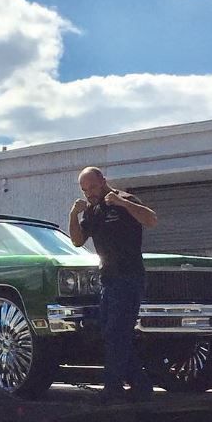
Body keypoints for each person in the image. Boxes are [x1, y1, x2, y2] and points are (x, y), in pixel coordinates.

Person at [68, 166, 158, 402]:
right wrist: (73, 215)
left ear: (103, 181)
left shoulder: (124, 200)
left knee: (117, 333)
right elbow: (77, 241)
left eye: (93, 187)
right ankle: (140, 384)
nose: (89, 193)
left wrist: (122, 203)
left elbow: (151, 219)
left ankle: (113, 388)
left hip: (129, 277)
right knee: (110, 333)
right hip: (108, 279)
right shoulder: (92, 210)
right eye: (84, 189)